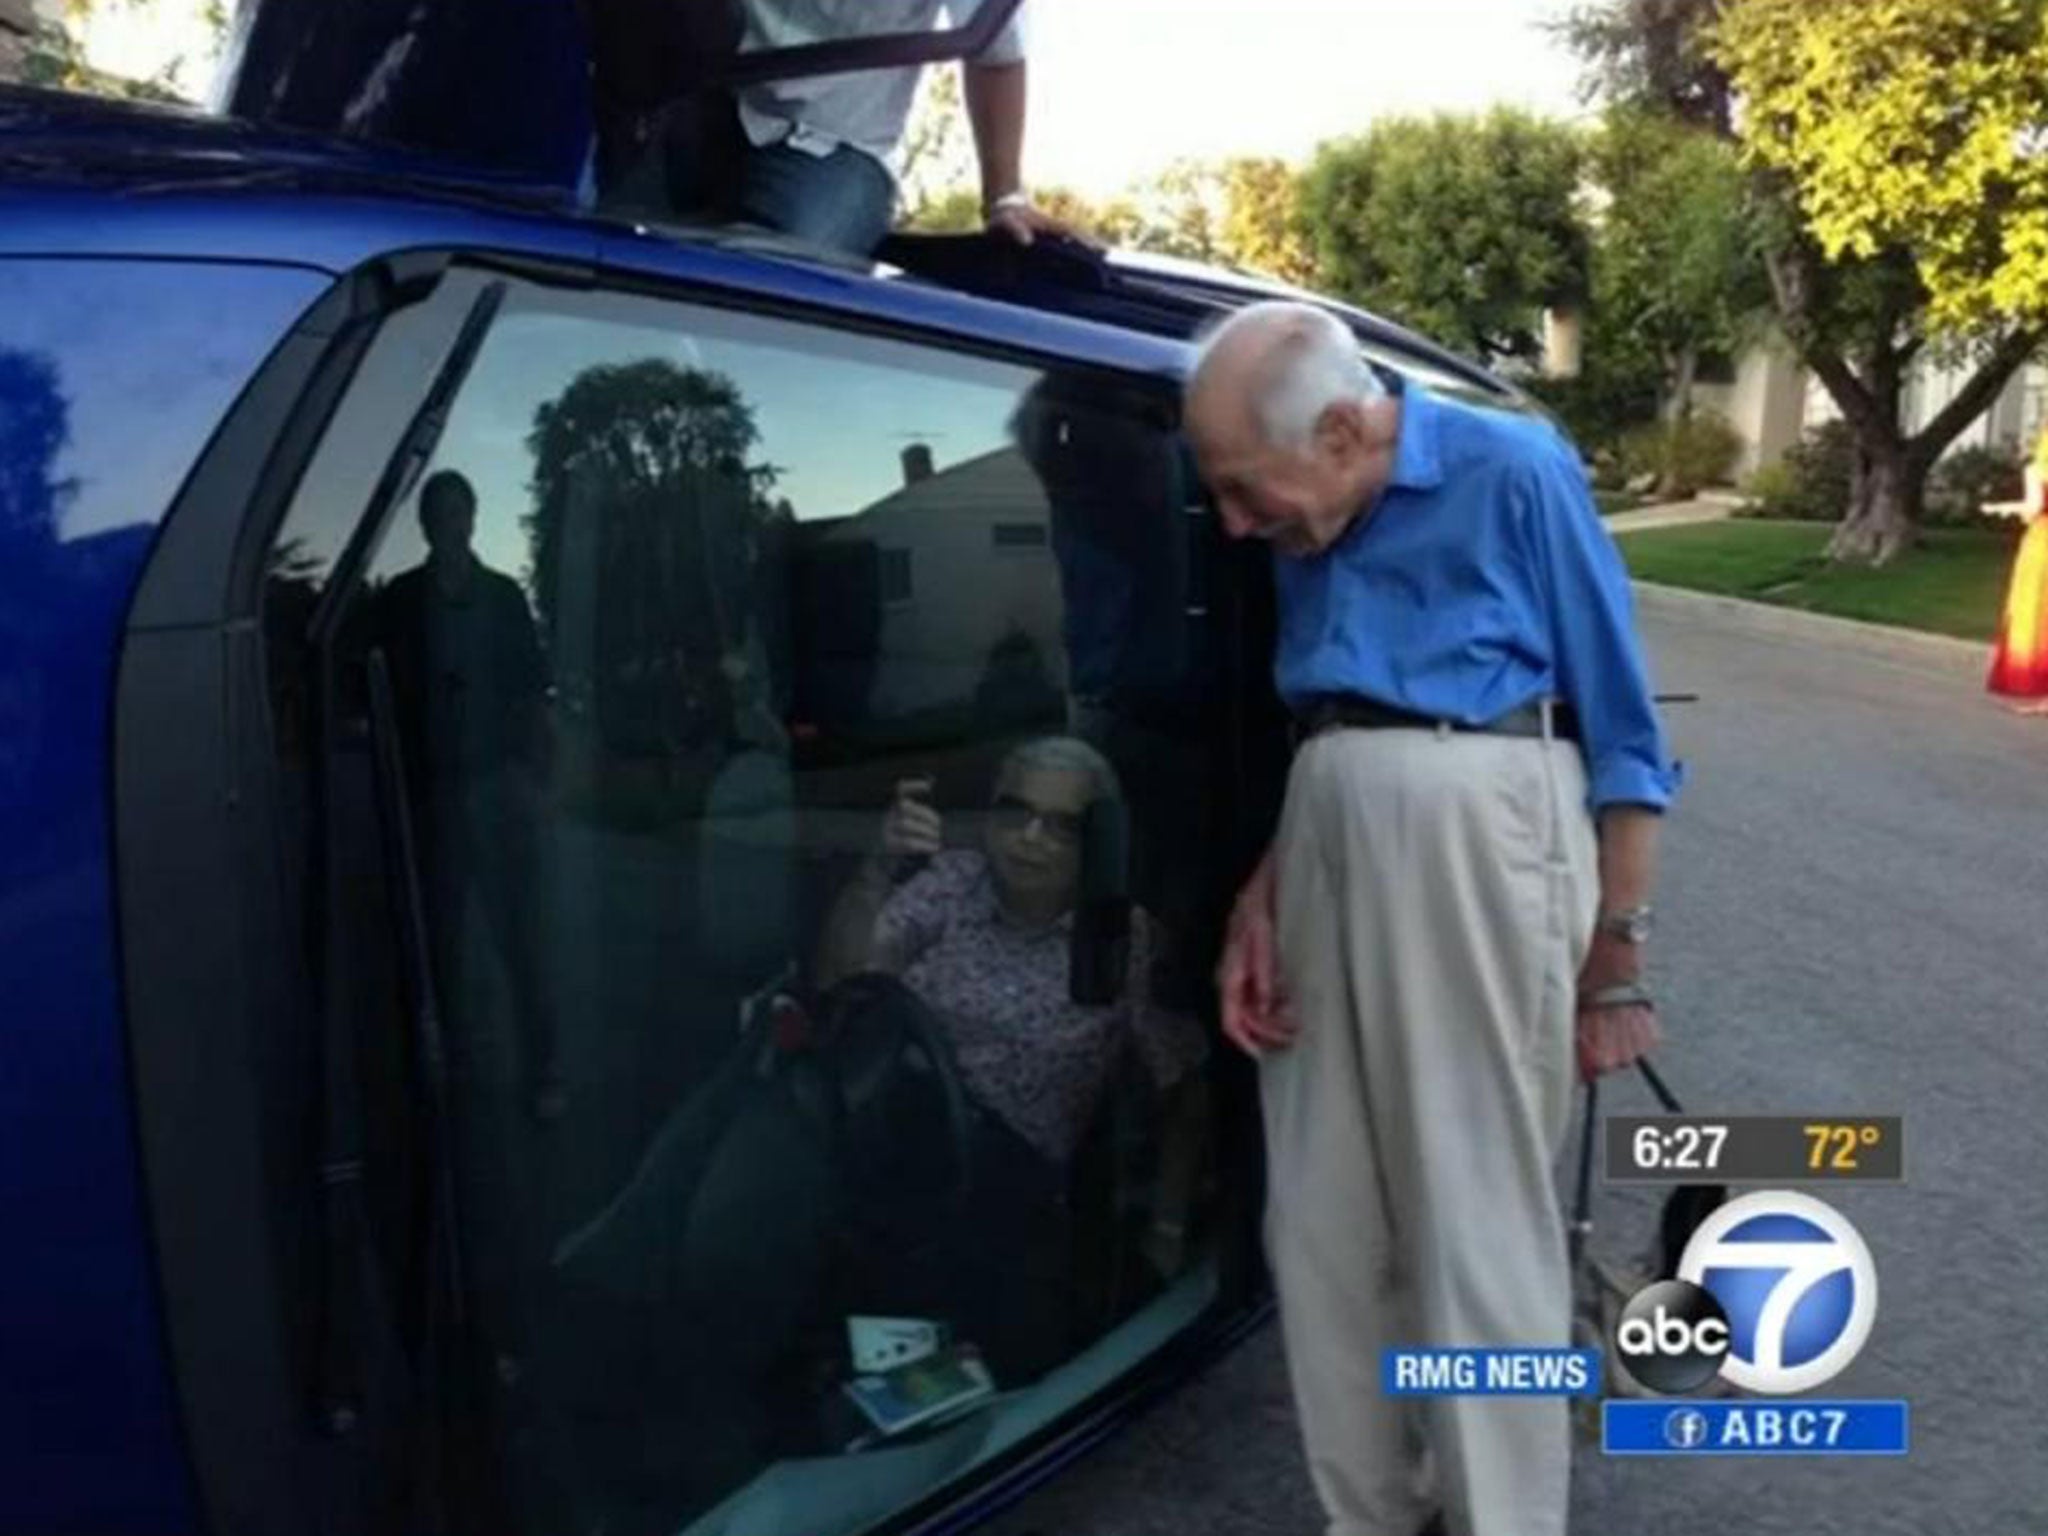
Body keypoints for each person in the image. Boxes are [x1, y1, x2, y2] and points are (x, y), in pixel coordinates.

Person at [1182, 302, 1681, 1536]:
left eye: (1248, 493)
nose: (1239, 527)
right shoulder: (1314, 511)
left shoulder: (1508, 468)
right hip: (1324, 825)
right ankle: (1375, 1518)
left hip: (1483, 809)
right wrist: (1267, 885)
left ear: (1347, 428)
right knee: (1317, 1223)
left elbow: (1622, 725)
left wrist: (1614, 948)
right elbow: (1329, 723)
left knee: (1473, 1219)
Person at [817, 735, 1209, 1375]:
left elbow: (1186, 1086)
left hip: (1008, 1192)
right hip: (888, 1143)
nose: (1030, 837)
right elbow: (843, 981)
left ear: (1096, 845)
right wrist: (876, 868)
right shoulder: (950, 883)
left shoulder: (1121, 941)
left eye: (1061, 827)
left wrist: (1166, 1231)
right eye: (1014, 812)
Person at [608, 0, 1077, 256]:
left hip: (834, 144)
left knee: (772, 288)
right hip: (681, 105)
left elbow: (996, 51)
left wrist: (1004, 198)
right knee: (600, 255)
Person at [1986, 424, 2048, 713]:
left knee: (2037, 614)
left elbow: (2033, 508)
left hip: (2042, 545)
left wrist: (2005, 508)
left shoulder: (2036, 470)